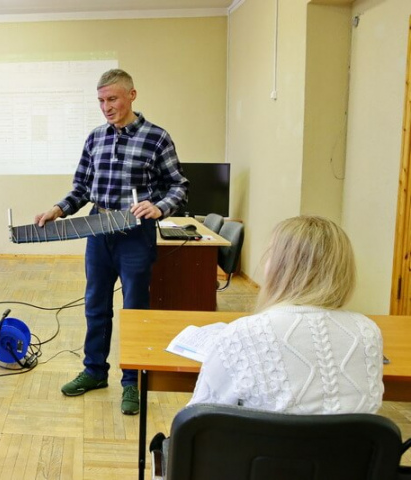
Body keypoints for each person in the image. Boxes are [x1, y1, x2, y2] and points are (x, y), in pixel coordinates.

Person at [35, 69, 189, 415]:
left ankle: (132, 380)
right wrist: (58, 209)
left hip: (136, 236)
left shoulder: (157, 138)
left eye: (113, 99)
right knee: (95, 305)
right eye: (102, 100)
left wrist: (159, 205)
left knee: (135, 310)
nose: (107, 106)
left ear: (132, 95)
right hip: (98, 232)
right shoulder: (95, 139)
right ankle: (94, 372)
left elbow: (179, 186)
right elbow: (81, 189)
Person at [188, 215, 384, 413]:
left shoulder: (243, 333)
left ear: (279, 268)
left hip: (264, 444)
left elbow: (197, 418)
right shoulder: (367, 332)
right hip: (350, 445)